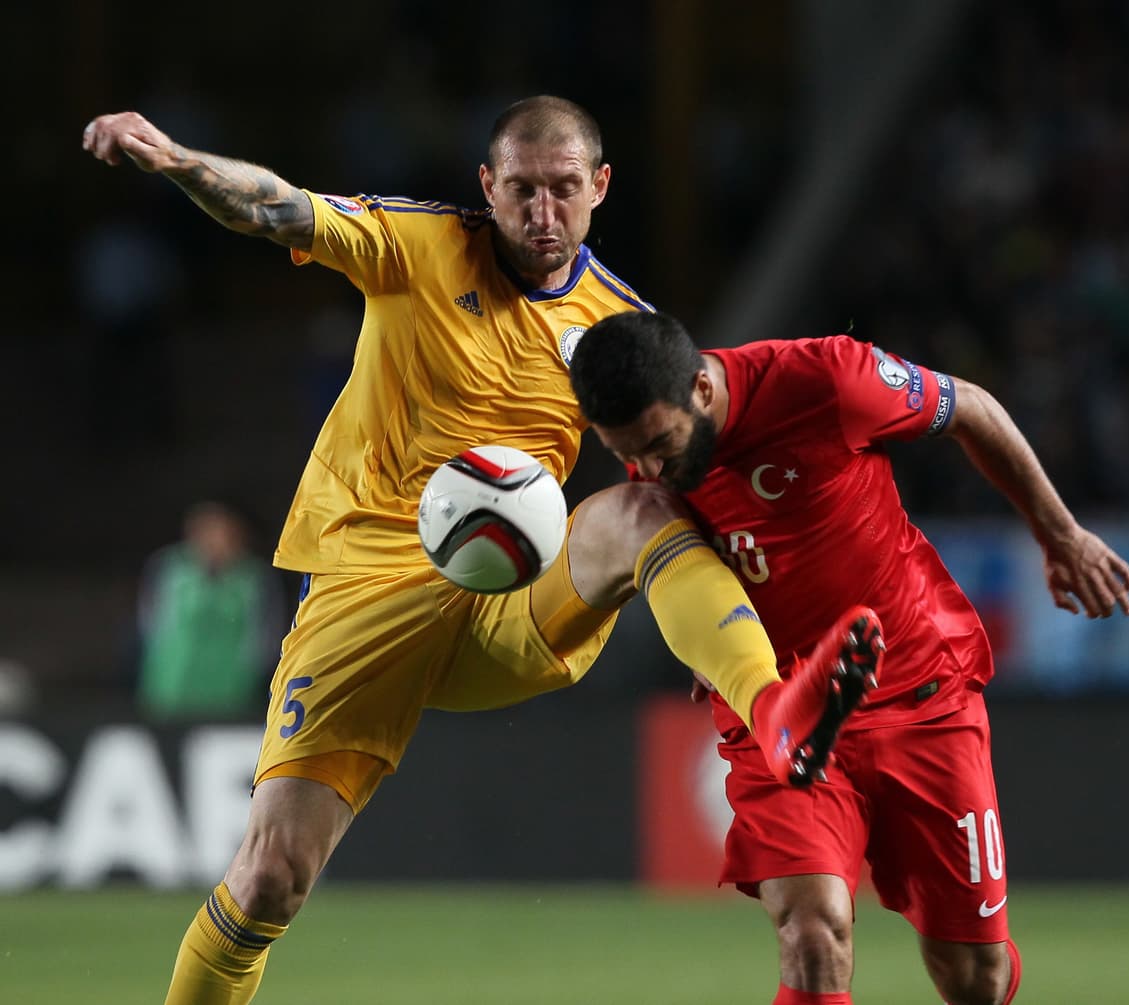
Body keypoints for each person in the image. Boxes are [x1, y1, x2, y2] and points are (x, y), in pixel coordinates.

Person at [82, 96, 882, 1005]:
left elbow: (698, 463)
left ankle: (773, 704)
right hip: (363, 592)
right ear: (488, 188)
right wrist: (181, 161)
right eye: (524, 192)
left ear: (601, 187)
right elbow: (277, 206)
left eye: (565, 191)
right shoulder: (417, 246)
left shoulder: (617, 329)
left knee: (644, 509)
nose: (544, 215)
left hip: (513, 599)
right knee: (270, 877)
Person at [569, 310, 1129, 1005]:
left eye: (659, 444)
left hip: (918, 693)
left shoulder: (828, 381)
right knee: (812, 932)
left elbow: (974, 410)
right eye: (628, 451)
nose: (650, 468)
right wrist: (713, 643)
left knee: (975, 974)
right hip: (786, 719)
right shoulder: (650, 434)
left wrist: (1061, 535)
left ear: (703, 390)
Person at [137, 500, 285, 719]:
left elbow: (267, 638)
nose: (215, 541)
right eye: (208, 531)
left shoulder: (256, 579)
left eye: (223, 532)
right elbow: (149, 624)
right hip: (170, 692)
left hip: (233, 695)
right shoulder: (169, 569)